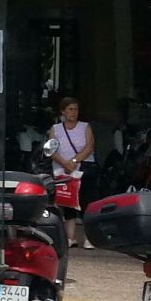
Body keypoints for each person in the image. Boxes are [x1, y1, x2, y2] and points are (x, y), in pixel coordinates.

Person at [49, 95, 96, 248]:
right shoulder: (55, 129)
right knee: (67, 202)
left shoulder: (85, 127)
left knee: (86, 202)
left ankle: (89, 238)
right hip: (63, 169)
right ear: (63, 111)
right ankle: (71, 237)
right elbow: (51, 149)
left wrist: (74, 161)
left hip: (82, 168)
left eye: (76, 109)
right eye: (70, 109)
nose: (73, 112)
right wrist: (64, 163)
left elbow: (89, 146)